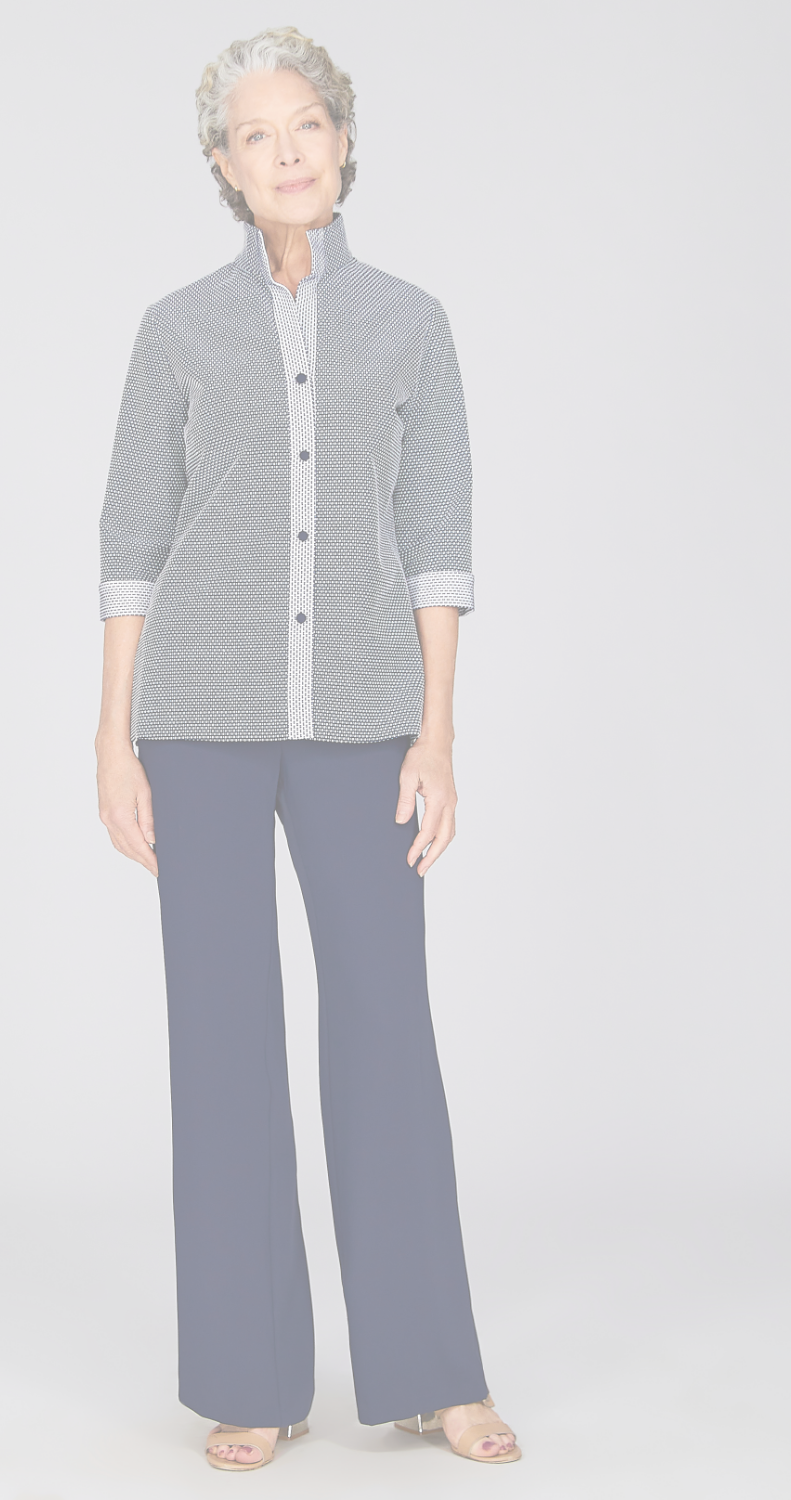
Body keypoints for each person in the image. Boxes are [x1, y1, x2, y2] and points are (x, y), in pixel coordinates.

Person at [94, 25, 521, 1474]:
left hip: (362, 716)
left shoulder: (410, 323)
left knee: (386, 1032)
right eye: (255, 136)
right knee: (221, 1045)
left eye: (307, 127)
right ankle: (252, 1375)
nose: (286, 152)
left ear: (343, 141)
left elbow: (439, 536)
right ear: (223, 167)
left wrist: (438, 731)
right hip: (197, 722)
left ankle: (430, 1371)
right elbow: (132, 541)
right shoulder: (174, 331)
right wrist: (112, 738)